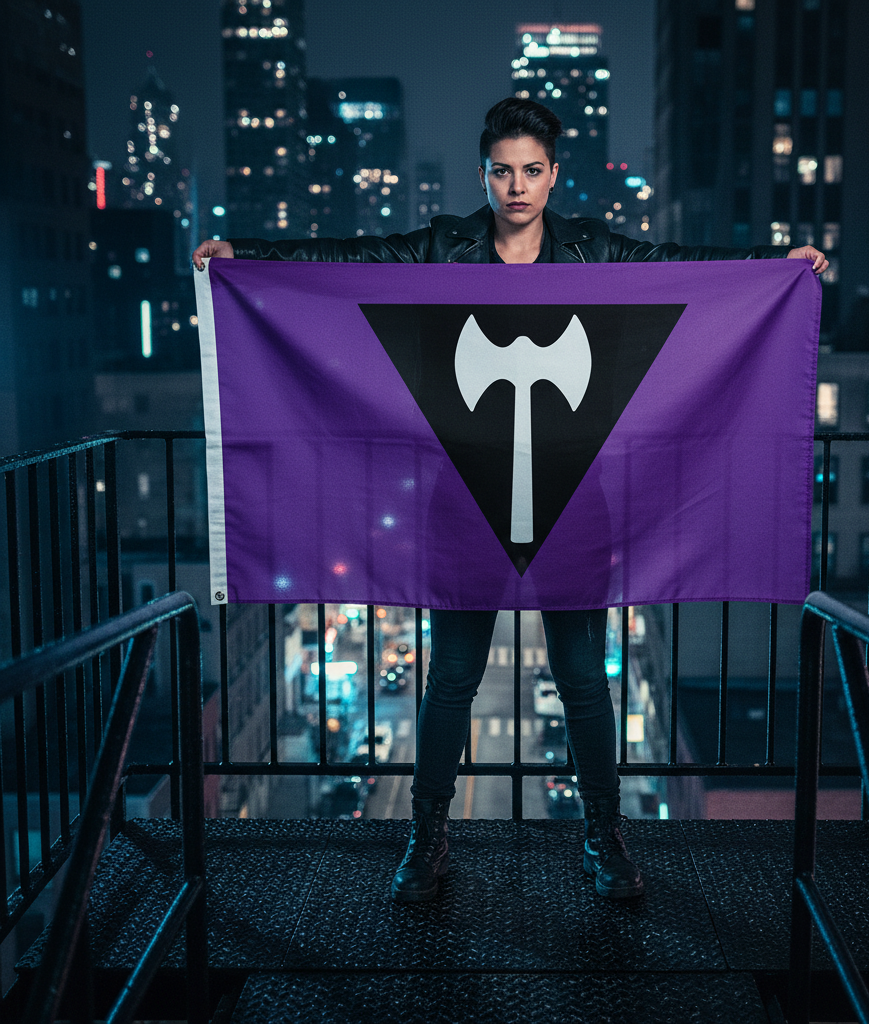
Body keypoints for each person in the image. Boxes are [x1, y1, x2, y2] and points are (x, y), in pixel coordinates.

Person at [194, 97, 828, 904]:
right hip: (461, 497)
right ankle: (427, 842)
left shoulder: (594, 249)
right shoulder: (441, 246)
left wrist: (782, 262)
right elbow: (346, 258)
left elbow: (684, 264)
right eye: (502, 171)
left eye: (532, 171)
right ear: (484, 174)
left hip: (576, 501)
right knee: (451, 679)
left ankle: (604, 840)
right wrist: (244, 255)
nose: (517, 186)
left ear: (554, 175)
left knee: (584, 682)